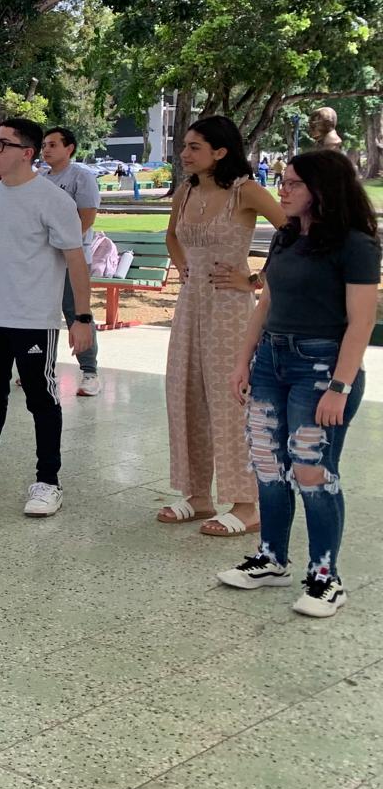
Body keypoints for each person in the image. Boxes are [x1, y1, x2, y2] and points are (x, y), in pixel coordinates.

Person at [218, 150, 379, 618]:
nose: (282, 190)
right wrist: (243, 362)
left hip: (322, 367)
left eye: (293, 184)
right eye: (283, 181)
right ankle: (272, 559)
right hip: (272, 360)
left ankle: (326, 578)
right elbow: (266, 303)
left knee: (312, 470)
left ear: (322, 189)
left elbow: (361, 322)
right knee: (268, 464)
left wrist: (340, 386)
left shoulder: (355, 244)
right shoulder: (286, 236)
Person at [0, 119, 96, 516]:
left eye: (2, 144)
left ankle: (48, 481)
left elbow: (75, 259)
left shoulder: (52, 200)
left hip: (33, 320)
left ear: (26, 153)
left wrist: (82, 317)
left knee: (42, 398)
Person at [159, 117, 286, 535]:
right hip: (190, 306)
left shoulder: (245, 191)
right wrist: (182, 266)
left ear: (220, 151)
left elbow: (294, 234)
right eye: (185, 145)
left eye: (194, 147)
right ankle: (197, 496)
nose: (184, 153)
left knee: (231, 401)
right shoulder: (187, 190)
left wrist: (254, 279)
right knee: (186, 394)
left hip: (231, 311)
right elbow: (172, 236)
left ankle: (247, 505)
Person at [40, 127, 102, 395]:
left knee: (76, 312)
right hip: (44, 260)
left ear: (70, 148)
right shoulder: (40, 179)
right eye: (44, 145)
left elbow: (86, 218)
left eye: (53, 145)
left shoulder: (81, 177)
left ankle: (89, 372)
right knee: (44, 314)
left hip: (71, 259)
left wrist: (65, 245)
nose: (46, 149)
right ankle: (44, 367)